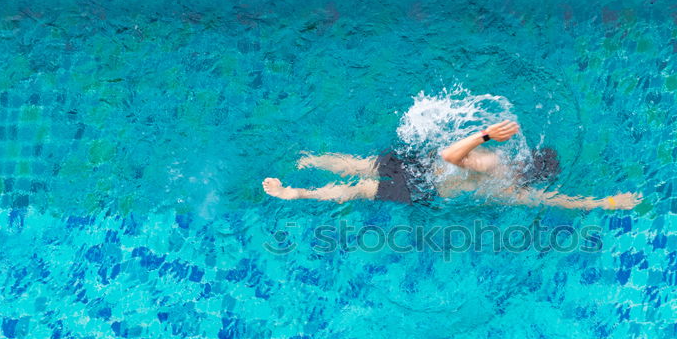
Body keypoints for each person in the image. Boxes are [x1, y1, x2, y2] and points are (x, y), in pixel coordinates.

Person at [261, 120, 643, 210]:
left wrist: (484, 134)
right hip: (421, 187)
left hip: (419, 170)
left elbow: (448, 155)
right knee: (360, 186)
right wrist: (607, 203)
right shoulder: (513, 191)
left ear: (527, 160)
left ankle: (305, 168)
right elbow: (558, 201)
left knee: (361, 169)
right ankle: (299, 189)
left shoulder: (495, 161)